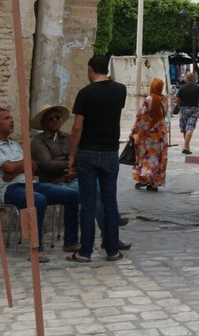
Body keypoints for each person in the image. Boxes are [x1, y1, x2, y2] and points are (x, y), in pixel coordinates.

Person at [29, 103, 130, 251]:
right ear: (44, 122)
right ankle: (110, 232)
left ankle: (108, 235)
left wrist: (74, 169)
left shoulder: (68, 138)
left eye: (57, 117)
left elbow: (80, 158)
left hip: (74, 177)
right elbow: (47, 164)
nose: (55, 120)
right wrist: (69, 163)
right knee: (93, 192)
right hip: (54, 182)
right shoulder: (38, 141)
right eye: (50, 118)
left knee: (97, 189)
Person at [0, 106, 80, 260]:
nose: (11, 121)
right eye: (6, 118)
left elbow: (34, 166)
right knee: (38, 200)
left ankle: (70, 241)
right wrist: (20, 166)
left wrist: (16, 168)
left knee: (72, 195)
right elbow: (9, 167)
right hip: (9, 189)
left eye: (11, 118)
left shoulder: (14, 145)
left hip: (29, 184)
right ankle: (36, 249)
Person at [67, 54, 127, 263]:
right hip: (110, 151)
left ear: (91, 69)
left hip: (88, 151)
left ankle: (85, 251)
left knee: (88, 202)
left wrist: (71, 155)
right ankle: (112, 250)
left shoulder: (85, 93)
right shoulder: (120, 90)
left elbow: (77, 128)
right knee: (110, 201)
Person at [132, 78, 169, 190]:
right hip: (161, 133)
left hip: (148, 134)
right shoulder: (164, 99)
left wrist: (135, 129)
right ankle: (154, 182)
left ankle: (145, 177)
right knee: (158, 157)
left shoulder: (149, 99)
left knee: (147, 156)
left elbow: (142, 116)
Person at [175, 72, 199, 155]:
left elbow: (177, 100)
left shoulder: (182, 88)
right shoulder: (197, 88)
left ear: (187, 79)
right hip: (193, 109)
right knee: (190, 128)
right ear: (193, 79)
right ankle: (186, 147)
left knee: (185, 129)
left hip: (183, 109)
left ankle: (186, 147)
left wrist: (180, 107)